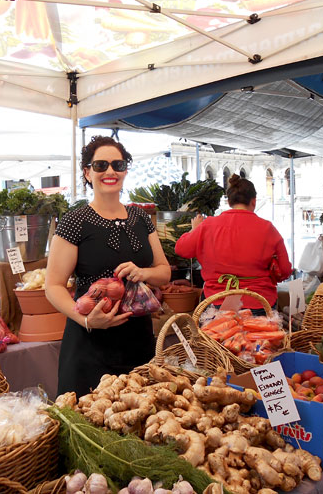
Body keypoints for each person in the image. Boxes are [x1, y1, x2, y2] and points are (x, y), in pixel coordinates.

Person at [45, 136, 171, 397]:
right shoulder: (74, 221)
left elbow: (164, 272)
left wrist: (143, 272)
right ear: (87, 172)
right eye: (101, 165)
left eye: (118, 164)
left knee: (137, 421)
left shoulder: (141, 218)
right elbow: (53, 286)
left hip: (138, 341)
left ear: (125, 170)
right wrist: (87, 320)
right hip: (89, 346)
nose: (110, 171)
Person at [174, 174, 292, 313]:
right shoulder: (268, 228)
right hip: (259, 302)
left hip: (216, 301)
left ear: (229, 202)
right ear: (253, 201)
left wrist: (194, 230)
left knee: (214, 335)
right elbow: (285, 271)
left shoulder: (208, 225)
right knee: (260, 335)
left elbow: (181, 249)